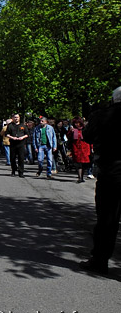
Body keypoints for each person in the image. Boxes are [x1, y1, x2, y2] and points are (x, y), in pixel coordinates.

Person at [79, 87, 121, 275]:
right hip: (111, 170)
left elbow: (87, 136)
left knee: (107, 219)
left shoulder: (102, 115)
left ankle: (100, 260)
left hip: (111, 171)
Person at [68, 117, 93, 183]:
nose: (76, 124)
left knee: (84, 164)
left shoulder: (85, 129)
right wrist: (70, 132)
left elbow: (89, 138)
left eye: (78, 123)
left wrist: (92, 147)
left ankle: (82, 177)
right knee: (78, 164)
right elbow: (68, 137)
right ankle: (79, 178)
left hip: (84, 148)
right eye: (75, 123)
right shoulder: (73, 129)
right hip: (76, 148)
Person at [6, 113, 28, 178]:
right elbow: (7, 134)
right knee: (12, 158)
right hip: (13, 143)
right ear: (13, 118)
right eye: (15, 117)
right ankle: (13, 171)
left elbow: (27, 134)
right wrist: (12, 137)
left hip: (21, 144)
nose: (16, 118)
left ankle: (21, 172)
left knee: (21, 158)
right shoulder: (10, 126)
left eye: (17, 117)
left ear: (19, 118)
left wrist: (22, 137)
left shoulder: (23, 125)